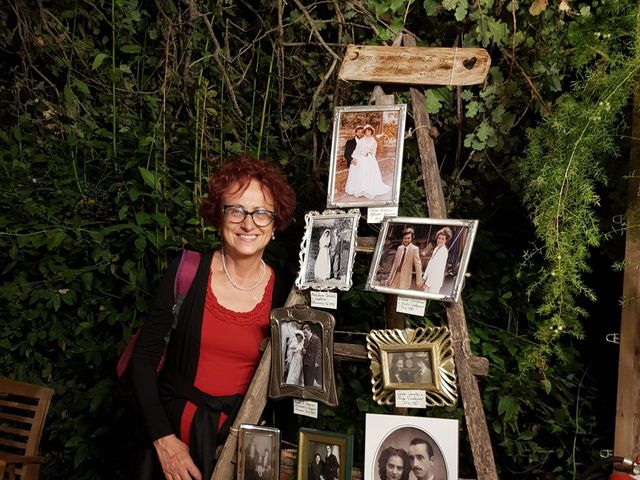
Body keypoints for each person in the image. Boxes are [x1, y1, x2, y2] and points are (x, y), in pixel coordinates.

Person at [129, 155, 295, 480]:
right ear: (218, 218)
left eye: (261, 213)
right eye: (237, 210)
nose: (249, 224)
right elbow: (142, 361)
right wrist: (163, 441)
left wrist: (285, 445)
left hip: (241, 451)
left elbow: (284, 384)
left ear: (275, 225)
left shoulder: (284, 292)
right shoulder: (186, 271)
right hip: (173, 446)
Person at [344, 124, 391, 199]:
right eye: (366, 131)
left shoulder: (374, 141)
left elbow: (374, 152)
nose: (367, 133)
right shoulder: (362, 140)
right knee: (358, 167)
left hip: (369, 158)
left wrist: (370, 156)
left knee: (369, 169)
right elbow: (357, 150)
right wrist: (355, 158)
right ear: (365, 132)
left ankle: (368, 189)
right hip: (361, 157)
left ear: (371, 132)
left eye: (369, 131)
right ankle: (359, 189)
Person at [421, 227, 451, 295]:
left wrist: (427, 284)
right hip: (429, 280)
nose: (440, 240)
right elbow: (430, 264)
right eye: (439, 238)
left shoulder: (444, 252)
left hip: (434, 283)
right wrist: (424, 278)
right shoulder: (436, 248)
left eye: (442, 239)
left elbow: (436, 270)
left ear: (446, 240)